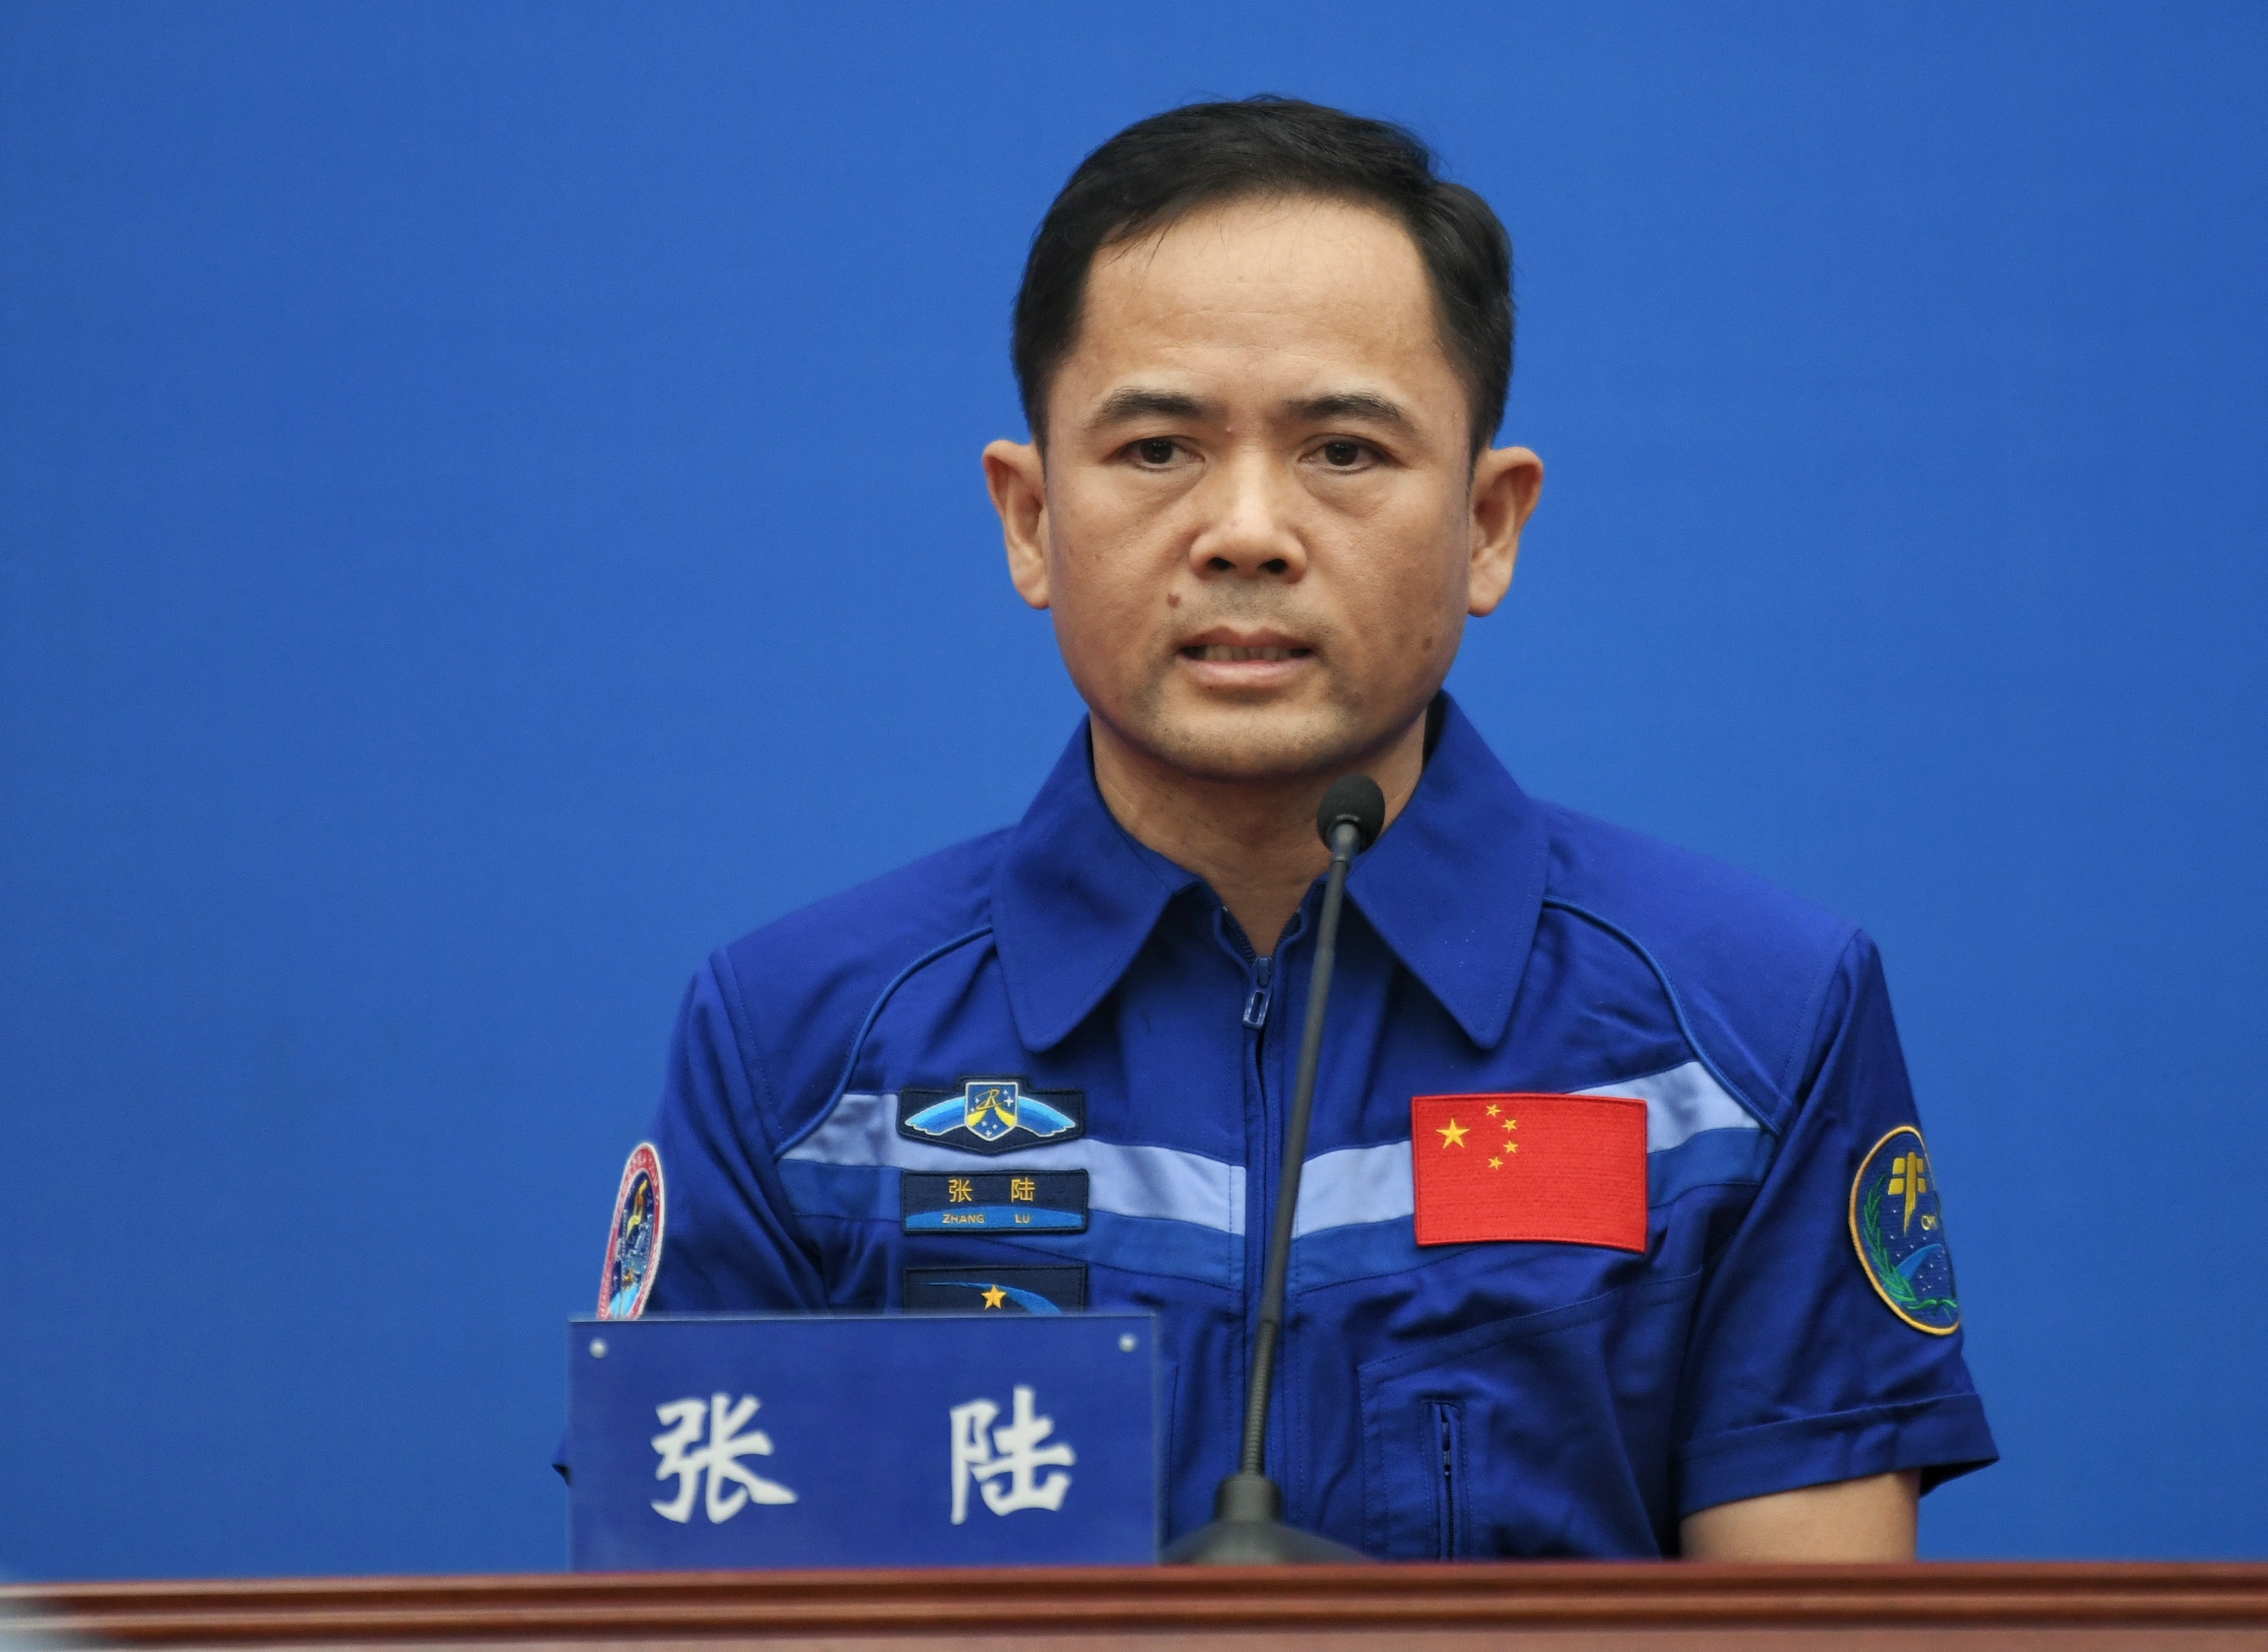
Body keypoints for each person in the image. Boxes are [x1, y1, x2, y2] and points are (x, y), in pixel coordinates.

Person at [603, 96, 1995, 1560]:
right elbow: (691, 1600)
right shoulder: (802, 1050)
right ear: (1028, 517)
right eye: (1158, 449)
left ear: (1488, 525)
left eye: (1342, 450)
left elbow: (1811, 1626)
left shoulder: (1742, 1032)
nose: (1249, 531)